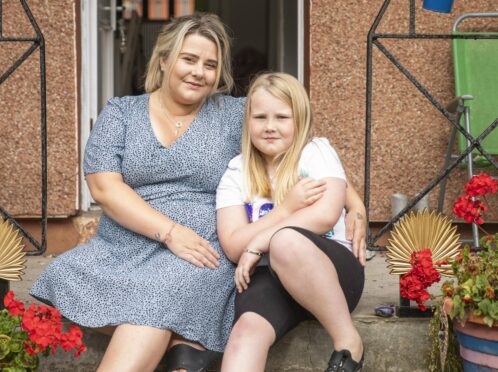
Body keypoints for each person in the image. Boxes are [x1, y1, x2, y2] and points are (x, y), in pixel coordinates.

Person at [30, 13, 366, 372]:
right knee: (68, 274)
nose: (198, 72)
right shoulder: (121, 113)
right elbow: (104, 187)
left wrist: (354, 204)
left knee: (158, 297)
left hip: (201, 247)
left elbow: (299, 143)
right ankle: (184, 345)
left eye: (210, 64)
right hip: (127, 242)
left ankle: (182, 344)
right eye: (188, 59)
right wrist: (170, 233)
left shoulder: (235, 113)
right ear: (163, 61)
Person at [216, 73, 365, 372]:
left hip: (329, 274)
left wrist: (259, 240)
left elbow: (323, 216)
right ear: (247, 123)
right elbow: (233, 245)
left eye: (282, 117)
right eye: (260, 117)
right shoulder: (237, 172)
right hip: (268, 278)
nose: (270, 126)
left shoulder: (316, 154)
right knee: (245, 333)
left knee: (286, 241)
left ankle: (348, 340)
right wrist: (285, 209)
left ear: (300, 120)